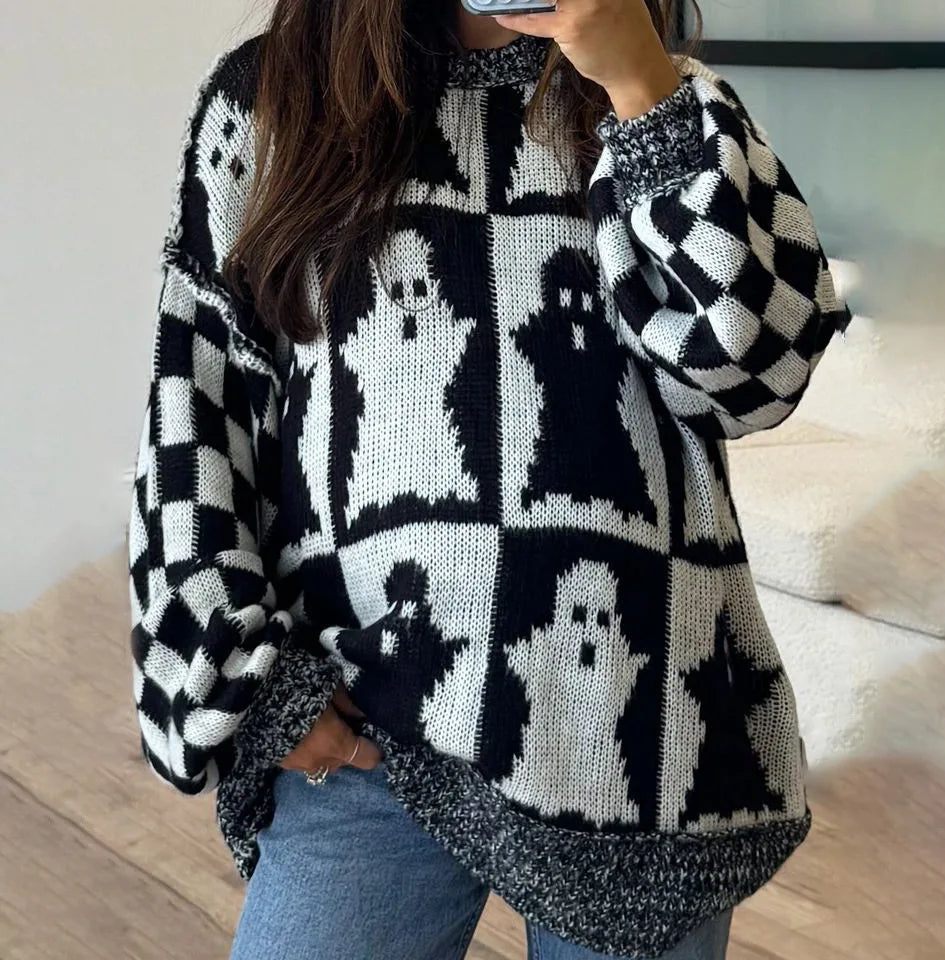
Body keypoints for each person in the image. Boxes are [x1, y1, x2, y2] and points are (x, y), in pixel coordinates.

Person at [126, 0, 852, 957]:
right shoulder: (272, 101)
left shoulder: (662, 95)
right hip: (370, 716)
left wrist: (641, 86)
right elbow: (196, 412)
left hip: (645, 734)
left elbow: (760, 377)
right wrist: (240, 680)